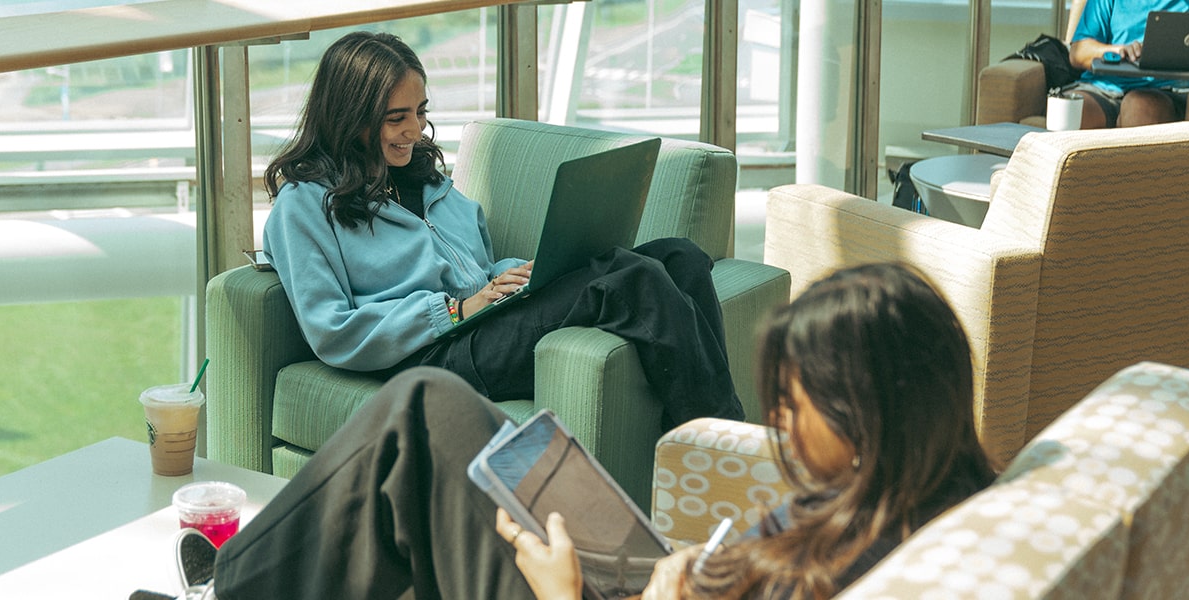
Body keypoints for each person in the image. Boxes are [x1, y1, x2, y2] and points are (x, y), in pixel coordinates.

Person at [205, 262, 996, 600]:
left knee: (418, 417)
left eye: (794, 403)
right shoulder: (911, 496)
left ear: (866, 410)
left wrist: (563, 590)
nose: (780, 423)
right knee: (438, 414)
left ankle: (233, 587)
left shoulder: (871, 556)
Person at [258, 31, 741, 429]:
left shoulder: (424, 180)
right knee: (632, 280)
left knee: (681, 256)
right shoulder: (304, 206)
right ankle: (720, 455)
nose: (415, 130)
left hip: (483, 321)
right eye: (396, 118)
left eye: (421, 111)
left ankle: (707, 441)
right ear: (350, 118)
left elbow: (476, 267)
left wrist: (519, 273)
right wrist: (453, 310)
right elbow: (331, 331)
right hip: (431, 354)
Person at [1065, 0, 1189, 129]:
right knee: (1067, 112)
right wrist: (1119, 51)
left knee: (1138, 106)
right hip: (1102, 90)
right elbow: (1077, 53)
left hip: (1166, 94)